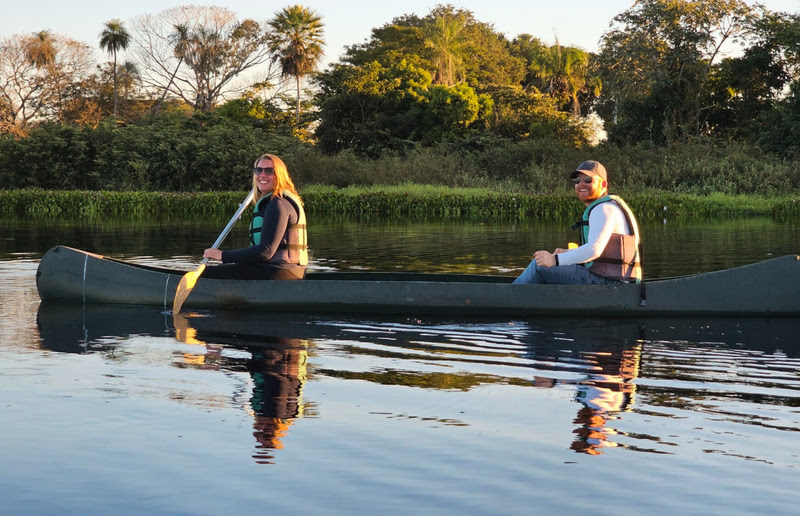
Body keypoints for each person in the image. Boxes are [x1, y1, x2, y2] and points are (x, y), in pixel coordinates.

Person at [513, 160, 642, 285]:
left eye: (587, 180)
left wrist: (555, 260)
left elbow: (594, 250)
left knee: (539, 266)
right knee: (546, 264)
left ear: (603, 185)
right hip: (613, 279)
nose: (581, 184)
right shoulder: (609, 206)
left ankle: (507, 298)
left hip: (610, 283)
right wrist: (567, 253)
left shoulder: (603, 209)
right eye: (577, 181)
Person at [202, 153, 308, 280]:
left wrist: (222, 256)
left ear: (279, 175)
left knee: (206, 274)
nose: (262, 175)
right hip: (285, 271)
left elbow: (266, 251)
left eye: (269, 171)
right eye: (259, 170)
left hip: (279, 272)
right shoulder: (275, 202)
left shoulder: (278, 204)